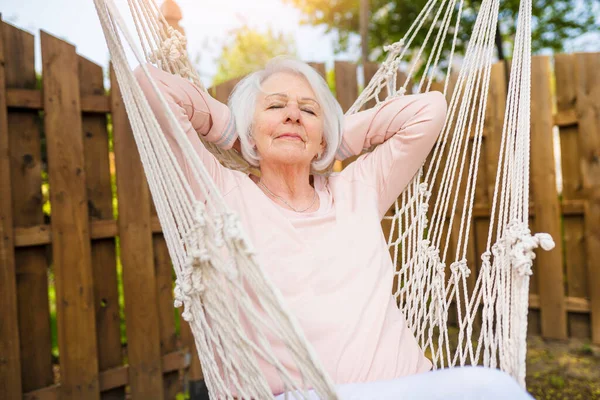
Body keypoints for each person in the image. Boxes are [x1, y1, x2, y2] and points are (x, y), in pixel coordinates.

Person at [134, 57, 532, 399]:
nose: (293, 114)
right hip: (300, 394)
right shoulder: (219, 194)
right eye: (275, 105)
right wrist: (232, 130)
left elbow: (429, 110)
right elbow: (149, 86)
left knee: (493, 388)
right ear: (246, 127)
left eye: (308, 110)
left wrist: (333, 139)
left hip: (408, 386)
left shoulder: (359, 189)